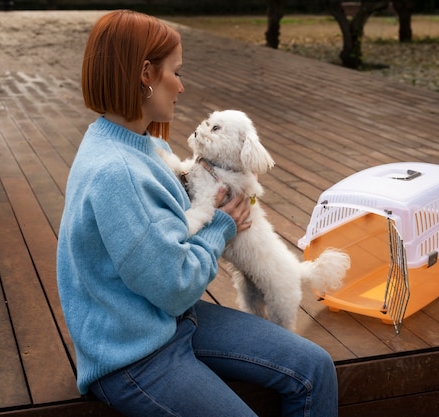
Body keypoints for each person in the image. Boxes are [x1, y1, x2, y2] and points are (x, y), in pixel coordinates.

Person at [56, 10, 338, 417]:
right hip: (132, 353)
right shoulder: (115, 172)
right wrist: (222, 225)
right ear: (146, 74)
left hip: (170, 319)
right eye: (176, 72)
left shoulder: (142, 145)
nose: (182, 86)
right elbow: (174, 286)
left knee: (316, 367)